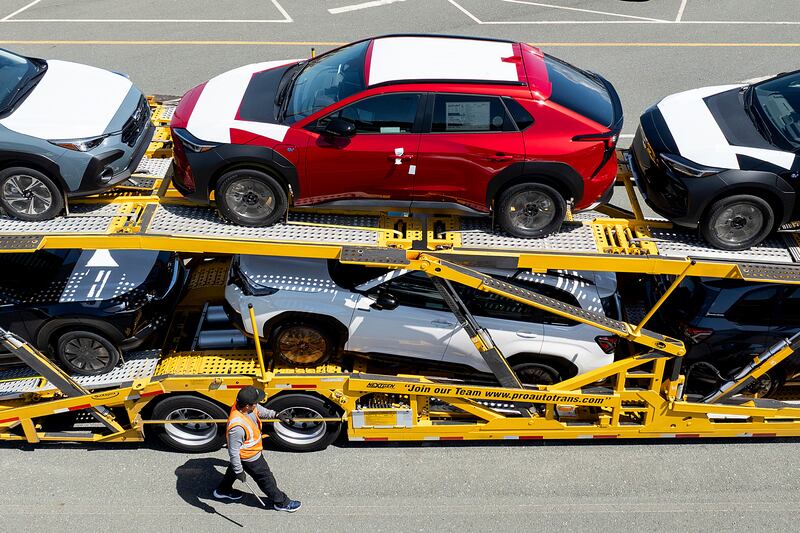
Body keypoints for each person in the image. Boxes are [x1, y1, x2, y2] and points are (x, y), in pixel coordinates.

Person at [213, 386, 301, 512]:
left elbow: (259, 409)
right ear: (248, 406)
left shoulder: (244, 406)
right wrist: (239, 471)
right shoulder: (237, 427)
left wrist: (276, 414)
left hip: (246, 455)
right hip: (250, 457)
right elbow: (233, 452)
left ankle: (223, 490)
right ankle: (281, 502)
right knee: (266, 479)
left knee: (235, 467)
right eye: (255, 402)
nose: (257, 404)